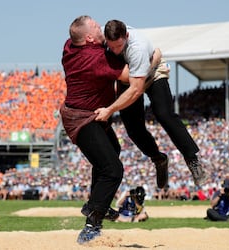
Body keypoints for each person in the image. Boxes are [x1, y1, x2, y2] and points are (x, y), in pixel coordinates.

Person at [61, 15, 162, 244]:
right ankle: (91, 224)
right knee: (113, 169)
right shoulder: (98, 59)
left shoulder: (69, 46)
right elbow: (135, 82)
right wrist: (153, 61)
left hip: (83, 113)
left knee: (112, 150)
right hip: (84, 119)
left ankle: (96, 205)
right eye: (96, 27)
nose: (100, 27)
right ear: (88, 38)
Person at [95, 19, 207, 187]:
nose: (116, 51)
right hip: (128, 78)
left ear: (126, 36)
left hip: (152, 73)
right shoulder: (100, 35)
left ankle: (192, 159)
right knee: (133, 128)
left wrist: (110, 110)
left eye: (119, 46)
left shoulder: (137, 47)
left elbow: (136, 89)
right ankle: (158, 159)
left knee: (164, 113)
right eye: (112, 47)